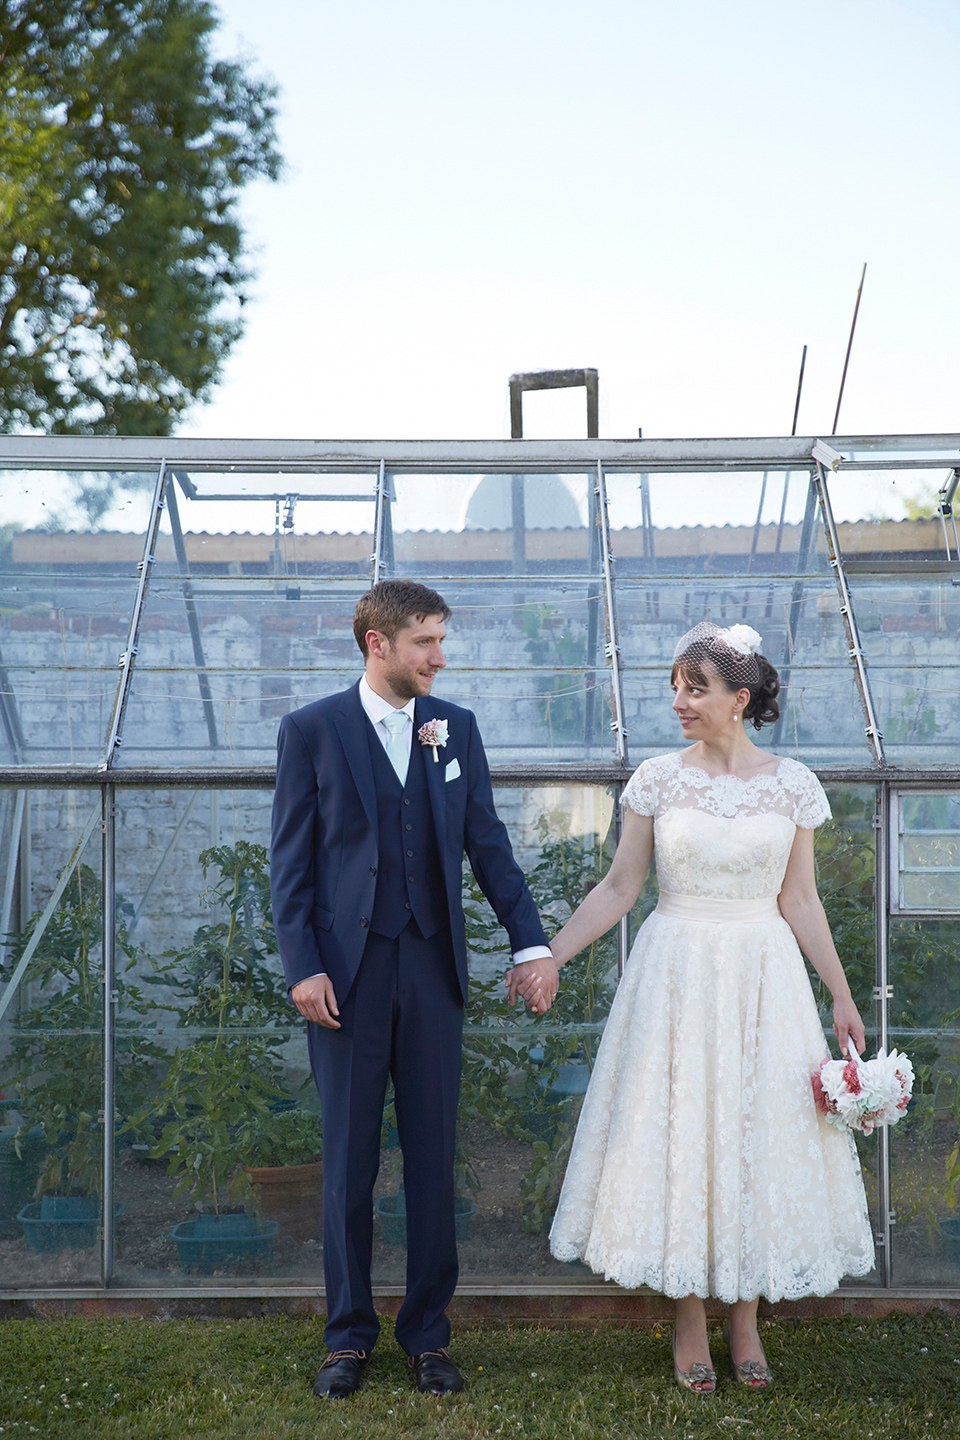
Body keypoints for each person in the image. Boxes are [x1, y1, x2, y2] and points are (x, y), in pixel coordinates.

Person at [511, 620, 875, 1397]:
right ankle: (687, 1319)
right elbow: (618, 889)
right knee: (681, 1131)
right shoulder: (657, 779)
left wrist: (841, 994)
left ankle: (743, 1319)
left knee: (756, 1132)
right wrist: (549, 955)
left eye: (695, 688)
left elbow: (800, 898)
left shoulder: (792, 784)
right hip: (675, 974)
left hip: (764, 980)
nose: (678, 701)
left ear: (739, 700)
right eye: (674, 686)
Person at [270, 579, 553, 1399]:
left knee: (433, 1160)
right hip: (343, 982)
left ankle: (428, 1336)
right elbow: (289, 866)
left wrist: (530, 941)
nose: (440, 656)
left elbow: (487, 843)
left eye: (441, 641)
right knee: (347, 1167)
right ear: (378, 644)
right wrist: (303, 966)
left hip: (431, 970)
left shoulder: (454, 728)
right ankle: (348, 1339)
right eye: (425, 642)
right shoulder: (311, 730)